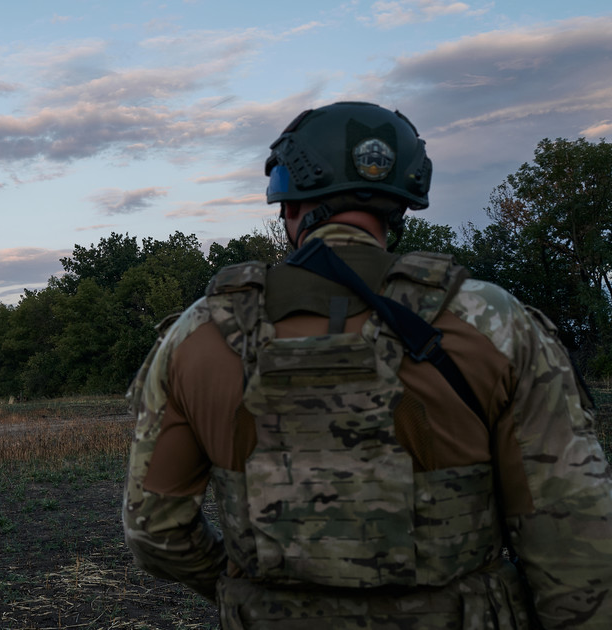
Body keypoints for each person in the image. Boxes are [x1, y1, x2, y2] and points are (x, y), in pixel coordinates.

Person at [122, 101, 612, 628]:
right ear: (399, 206)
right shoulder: (491, 321)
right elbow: (575, 537)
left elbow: (155, 530)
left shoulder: (198, 334)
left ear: (289, 206)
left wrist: (239, 587)